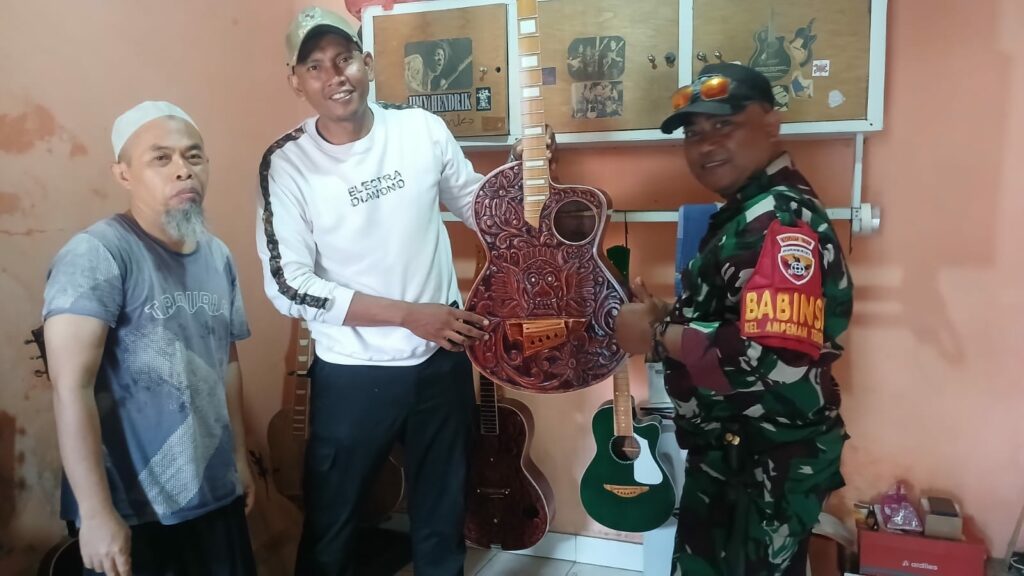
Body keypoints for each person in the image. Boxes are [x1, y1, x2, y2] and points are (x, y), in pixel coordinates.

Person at [257, 7, 551, 575]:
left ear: (367, 63)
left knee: (443, 517)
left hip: (441, 359)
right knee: (332, 523)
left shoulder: (420, 129)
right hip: (353, 373)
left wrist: (526, 180)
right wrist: (409, 316)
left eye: (344, 58)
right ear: (296, 80)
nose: (334, 75)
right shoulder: (287, 164)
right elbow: (289, 286)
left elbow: (475, 205)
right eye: (314, 66)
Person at [613, 63, 853, 576]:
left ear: (771, 123)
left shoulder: (778, 219)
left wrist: (656, 334)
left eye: (724, 125)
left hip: (760, 468)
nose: (706, 145)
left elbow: (774, 359)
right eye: (693, 134)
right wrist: (669, 316)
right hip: (738, 459)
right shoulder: (746, 212)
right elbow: (744, 323)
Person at [43, 101, 256, 576]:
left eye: (193, 156)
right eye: (161, 158)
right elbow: (70, 387)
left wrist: (239, 459)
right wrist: (95, 513)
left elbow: (227, 362)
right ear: (123, 174)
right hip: (133, 508)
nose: (183, 170)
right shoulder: (97, 254)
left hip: (214, 492)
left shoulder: (217, 255)